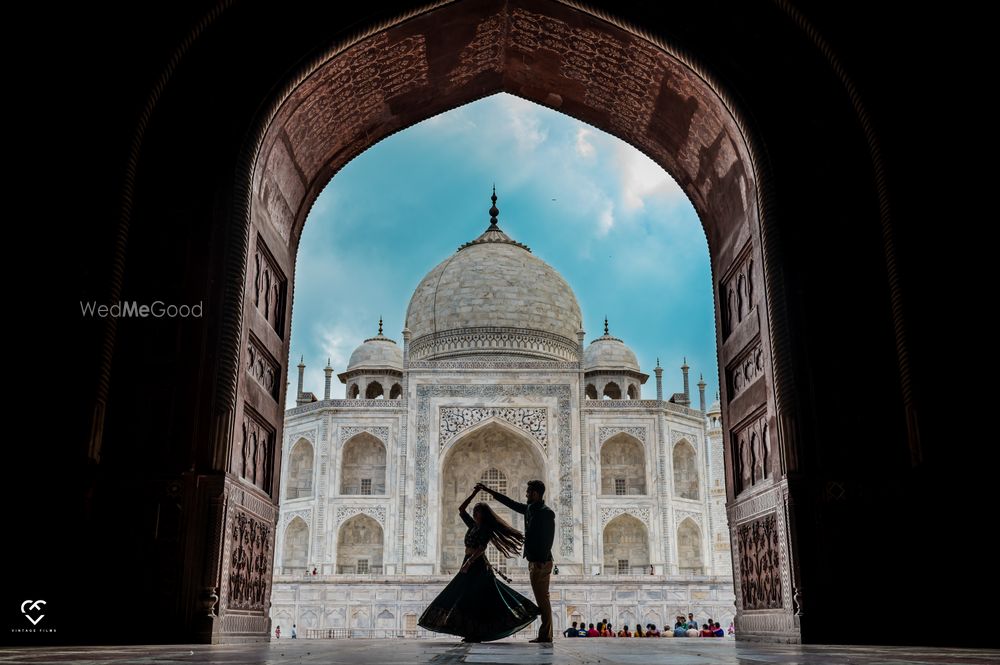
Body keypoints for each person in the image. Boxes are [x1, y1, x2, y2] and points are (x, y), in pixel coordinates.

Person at [418, 487, 539, 642]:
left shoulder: (485, 529)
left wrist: (468, 562)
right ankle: (470, 631)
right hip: (468, 562)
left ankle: (477, 631)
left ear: (484, 514)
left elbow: (481, 548)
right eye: (474, 511)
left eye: (478, 512)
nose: (475, 514)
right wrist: (474, 494)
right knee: (468, 596)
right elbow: (461, 509)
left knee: (475, 598)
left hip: (476, 564)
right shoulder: (473, 526)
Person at [475, 480, 555, 643]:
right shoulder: (531, 509)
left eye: (528, 492)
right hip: (535, 561)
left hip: (541, 562)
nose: (526, 494)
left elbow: (548, 538)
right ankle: (545, 634)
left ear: (536, 493)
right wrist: (489, 491)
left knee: (542, 599)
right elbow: (510, 503)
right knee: (542, 598)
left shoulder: (546, 512)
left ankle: (546, 635)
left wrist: (540, 559)